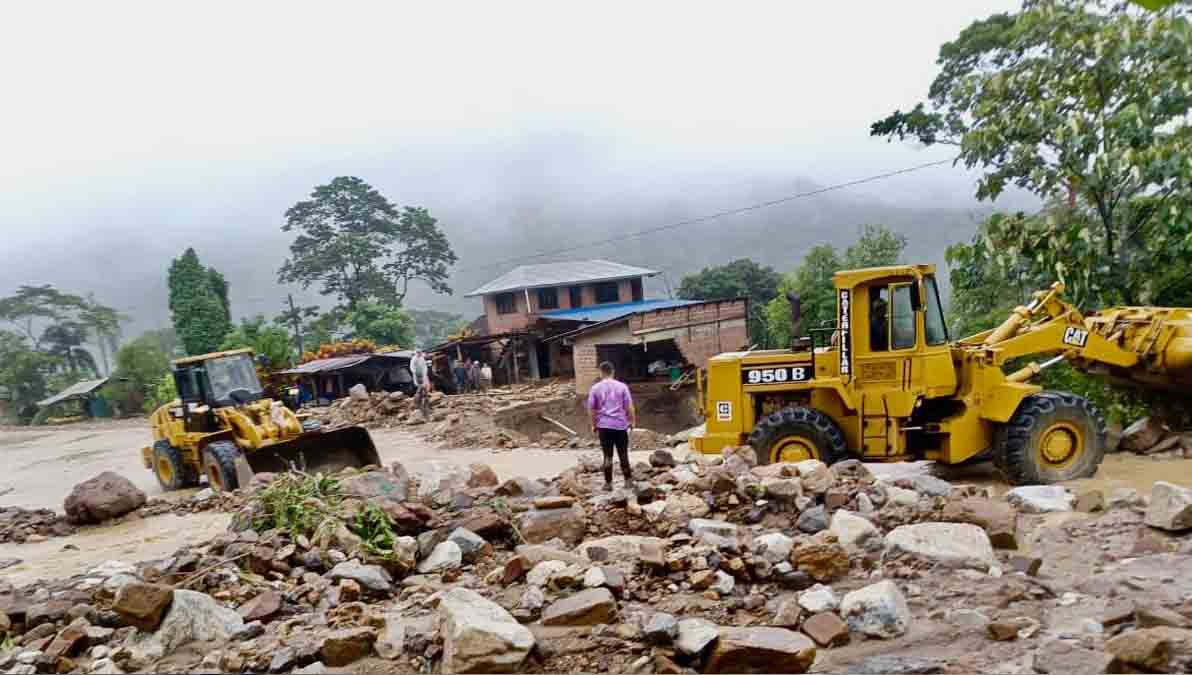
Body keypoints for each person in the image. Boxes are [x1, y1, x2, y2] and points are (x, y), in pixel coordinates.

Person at [587, 361, 636, 491]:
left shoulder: (595, 388)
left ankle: (608, 484)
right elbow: (629, 407)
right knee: (623, 454)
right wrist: (632, 421)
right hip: (620, 425)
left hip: (604, 426)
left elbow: (592, 409)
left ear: (600, 372)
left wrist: (594, 424)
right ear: (613, 371)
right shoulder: (622, 387)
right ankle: (628, 481)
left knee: (607, 456)